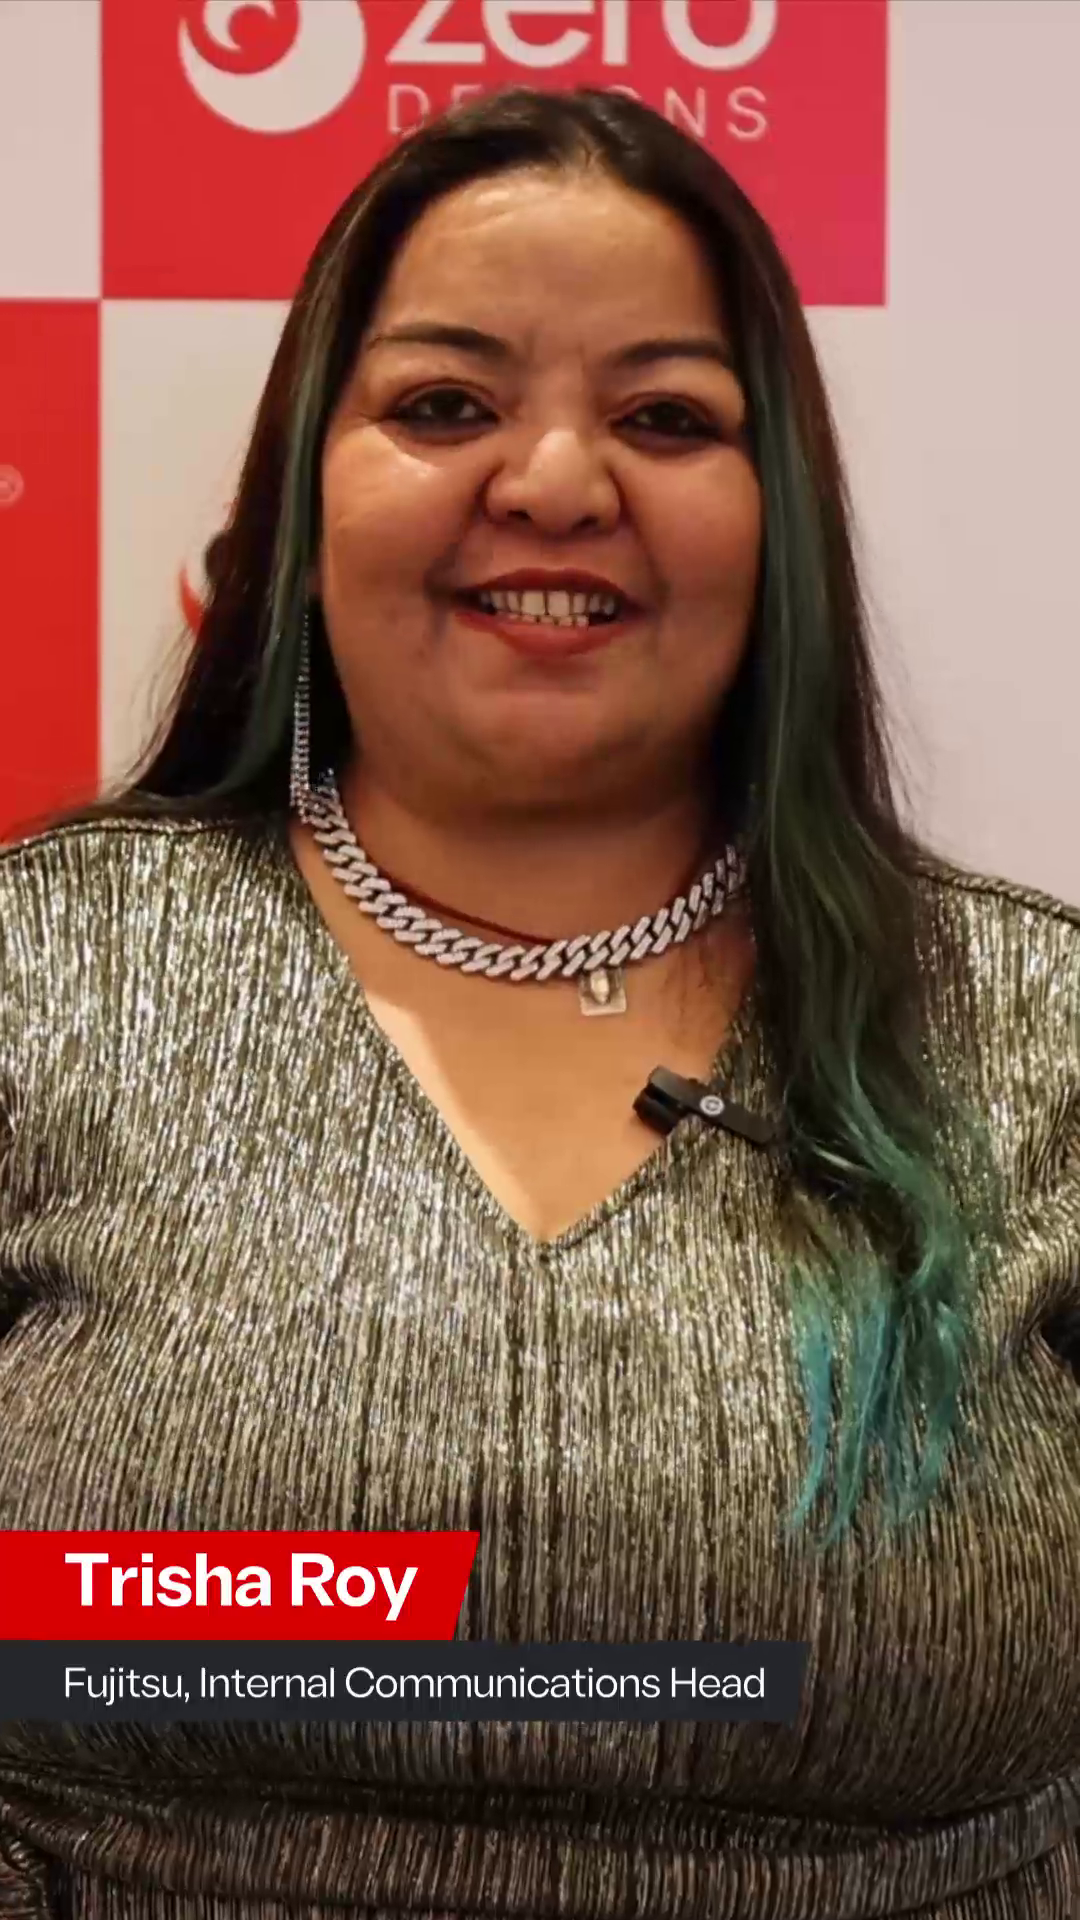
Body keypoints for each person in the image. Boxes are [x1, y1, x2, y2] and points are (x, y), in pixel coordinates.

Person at [0, 82, 1078, 1920]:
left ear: (779, 520)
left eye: (666, 416)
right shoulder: (36, 976)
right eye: (443, 404)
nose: (558, 481)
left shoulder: (1036, 1030)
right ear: (303, 499)